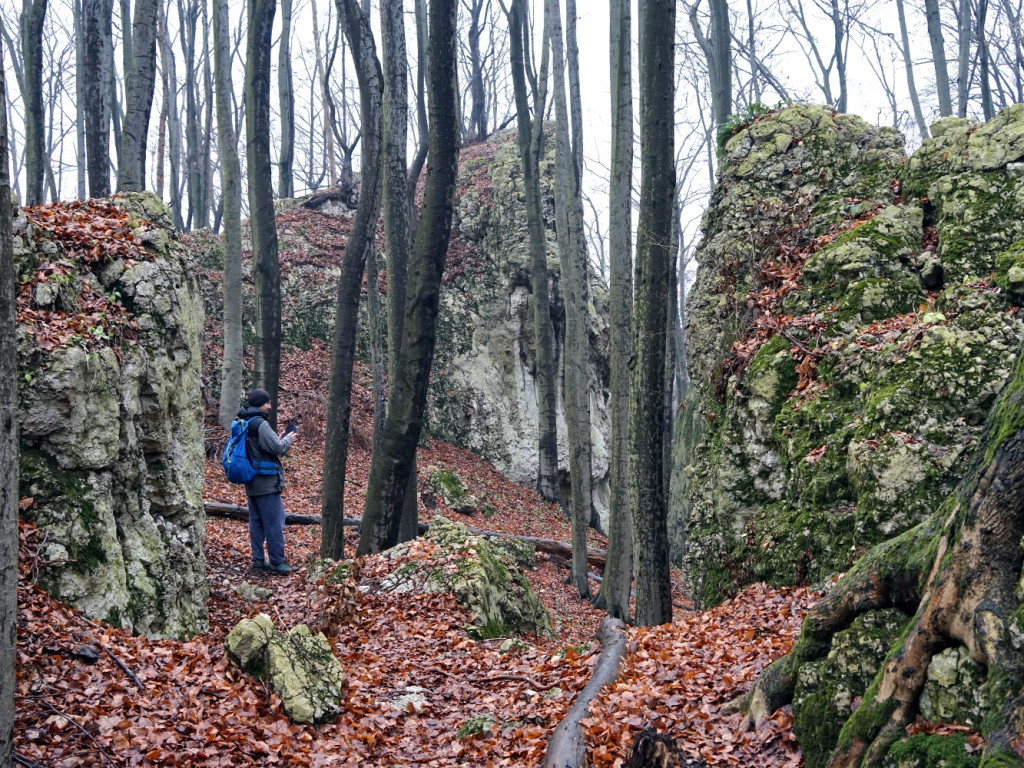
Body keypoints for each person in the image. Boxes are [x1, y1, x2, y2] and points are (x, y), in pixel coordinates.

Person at [237, 389, 297, 573]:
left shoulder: (243, 421)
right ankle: (277, 562)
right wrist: (288, 439)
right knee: (274, 522)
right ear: (260, 403)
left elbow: (261, 447)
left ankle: (258, 560)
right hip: (266, 482)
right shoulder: (260, 424)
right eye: (267, 403)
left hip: (251, 480)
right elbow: (277, 448)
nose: (270, 406)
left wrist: (275, 440)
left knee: (256, 522)